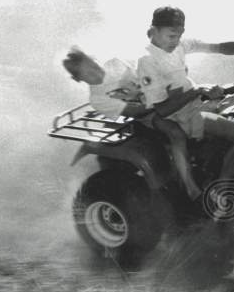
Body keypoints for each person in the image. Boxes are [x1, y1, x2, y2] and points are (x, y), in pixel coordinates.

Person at [136, 6, 234, 211]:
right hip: (178, 115)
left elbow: (221, 47)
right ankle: (210, 191)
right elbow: (162, 110)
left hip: (194, 103)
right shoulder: (147, 62)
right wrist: (198, 91)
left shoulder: (179, 45)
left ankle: (226, 177)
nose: (176, 40)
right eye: (171, 35)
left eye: (180, 35)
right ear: (154, 30)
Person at [62, 48, 203, 201]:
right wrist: (161, 101)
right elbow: (135, 112)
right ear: (79, 79)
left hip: (159, 94)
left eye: (94, 66)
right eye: (88, 74)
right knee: (175, 133)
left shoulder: (115, 63)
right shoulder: (98, 98)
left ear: (95, 59)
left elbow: (146, 76)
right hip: (148, 114)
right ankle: (191, 187)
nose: (96, 73)